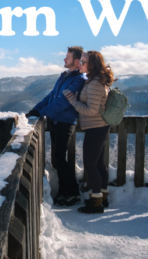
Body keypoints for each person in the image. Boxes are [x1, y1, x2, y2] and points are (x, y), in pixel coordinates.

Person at [26, 46, 86, 207]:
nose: (64, 59)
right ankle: (63, 192)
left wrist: (42, 113)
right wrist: (36, 110)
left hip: (65, 122)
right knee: (57, 159)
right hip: (55, 121)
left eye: (67, 57)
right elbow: (51, 96)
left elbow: (63, 101)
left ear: (75, 61)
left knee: (59, 158)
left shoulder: (78, 79)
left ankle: (73, 193)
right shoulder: (64, 76)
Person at [64, 51, 114, 214]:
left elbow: (91, 110)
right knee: (98, 163)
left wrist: (73, 101)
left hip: (95, 127)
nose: (80, 64)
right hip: (99, 127)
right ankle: (102, 198)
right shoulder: (95, 81)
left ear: (92, 65)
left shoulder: (94, 84)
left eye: (83, 62)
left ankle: (96, 203)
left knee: (91, 165)